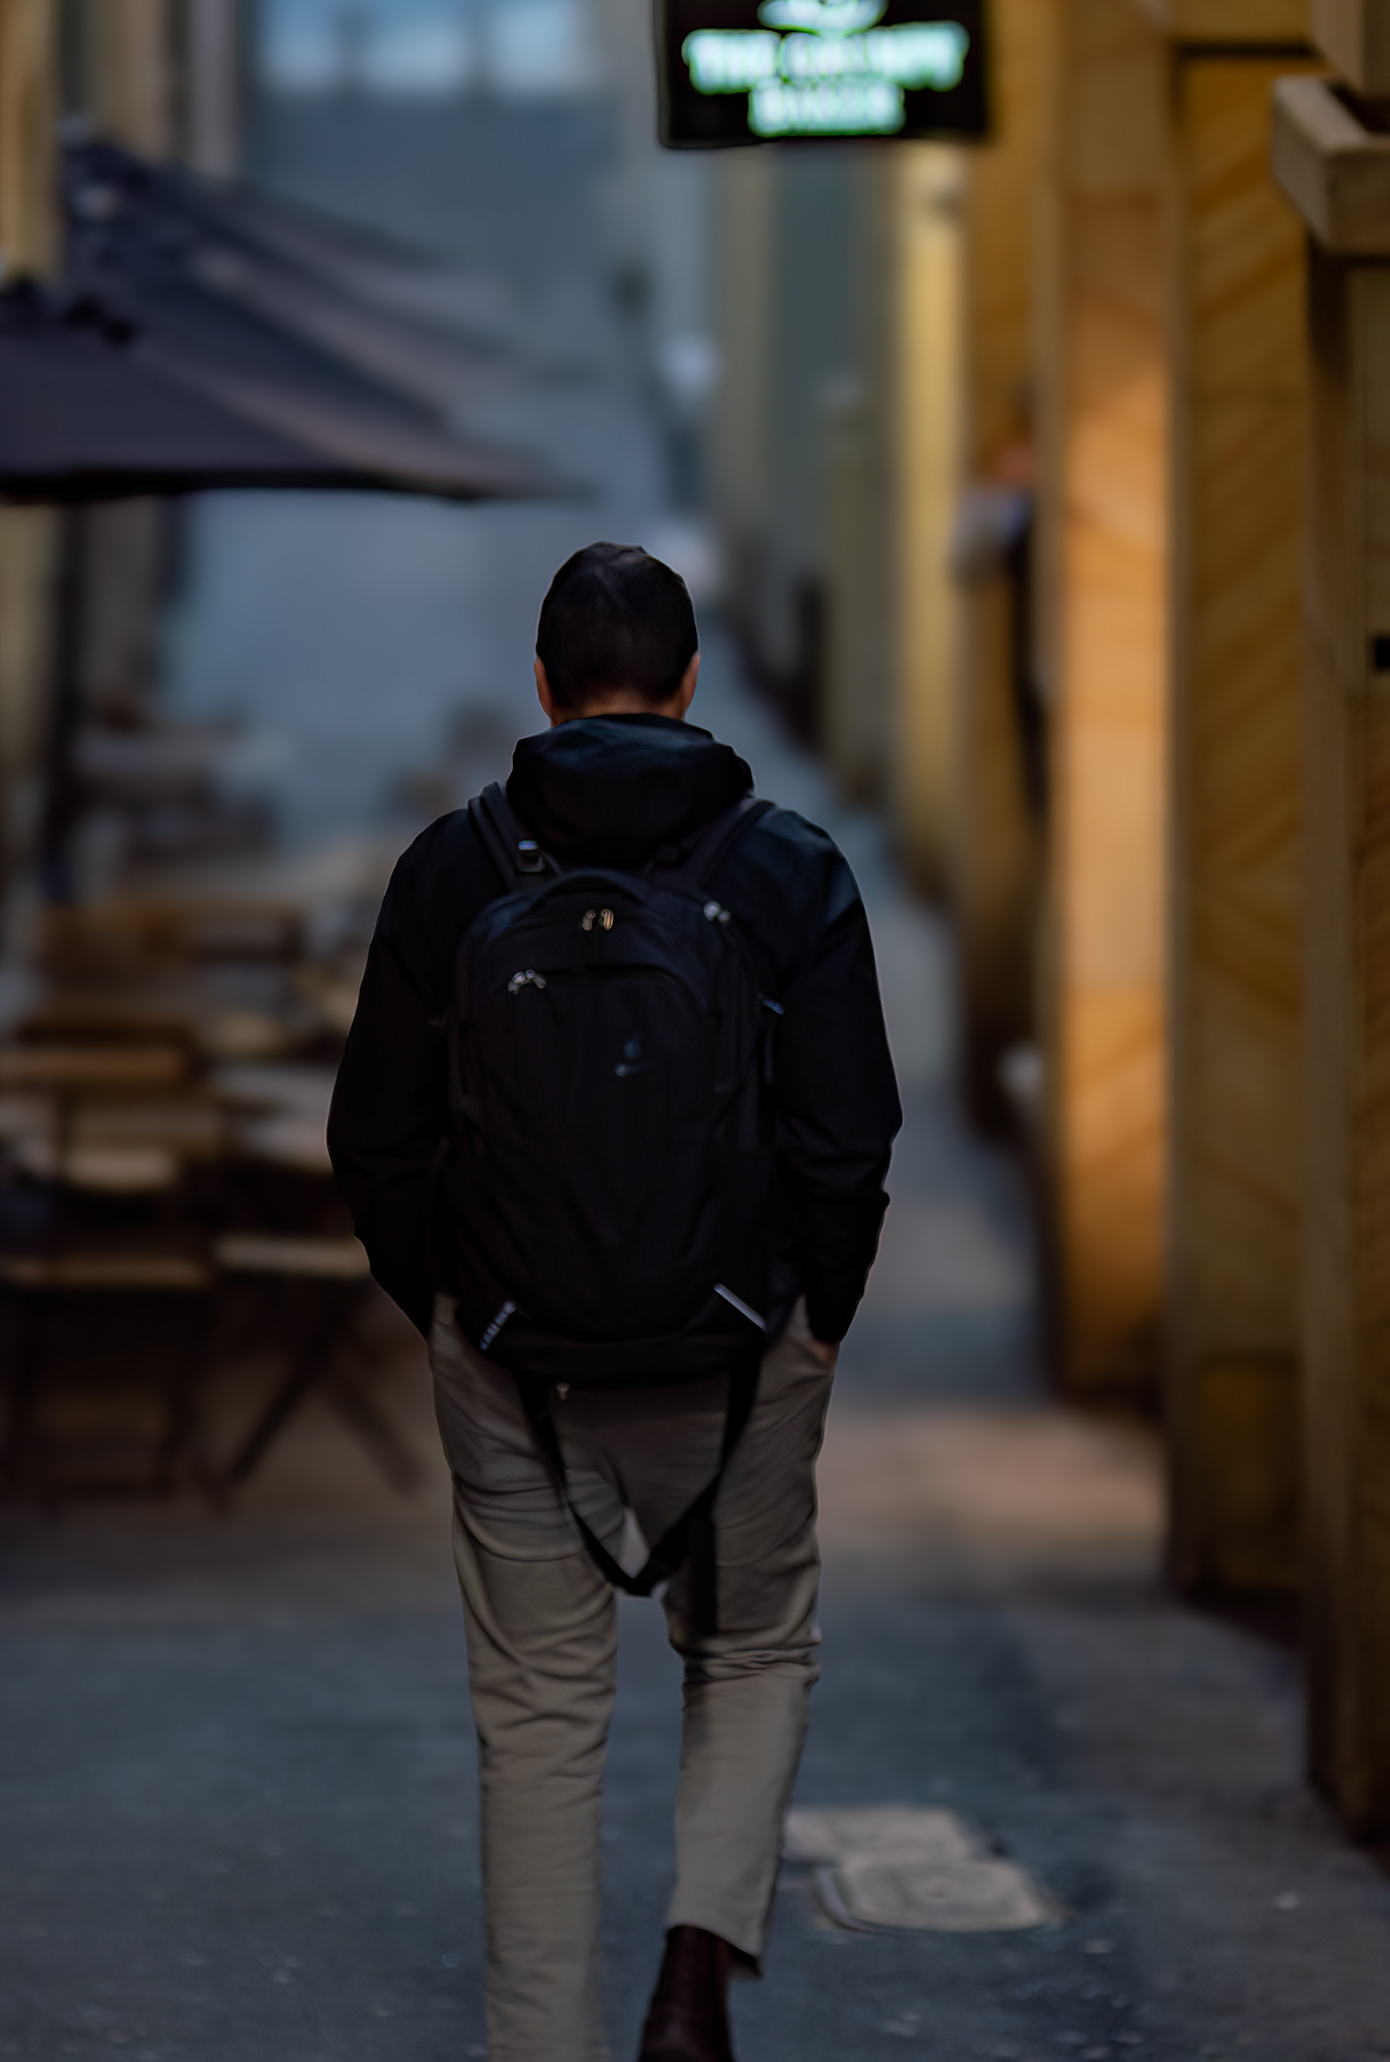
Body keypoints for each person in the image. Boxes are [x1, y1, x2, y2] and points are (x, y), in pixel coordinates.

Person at [328, 542, 901, 2062]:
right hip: (741, 1347)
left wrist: (450, 1304)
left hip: (514, 1355)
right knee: (755, 1642)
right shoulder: (789, 870)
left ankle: (543, 2043)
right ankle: (697, 1965)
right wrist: (816, 1312)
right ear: (695, 685)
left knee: (535, 1718)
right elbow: (850, 1136)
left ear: (542, 688)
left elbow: (375, 1139)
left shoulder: (452, 872)